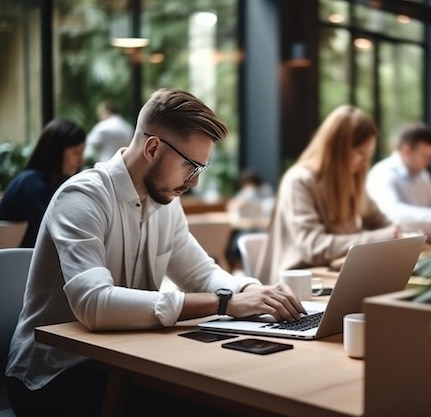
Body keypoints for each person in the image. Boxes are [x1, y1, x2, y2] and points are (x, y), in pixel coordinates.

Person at [5, 88, 305, 417]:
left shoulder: (166, 203)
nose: (192, 182)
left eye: (199, 170)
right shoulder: (82, 198)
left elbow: (201, 273)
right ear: (152, 147)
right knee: (210, 402)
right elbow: (94, 304)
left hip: (127, 359)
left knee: (242, 386)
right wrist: (225, 302)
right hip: (53, 376)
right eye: (189, 166)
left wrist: (251, 291)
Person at [256, 104, 402, 284]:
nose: (365, 162)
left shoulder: (351, 180)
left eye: (369, 154)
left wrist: (400, 234)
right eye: (360, 153)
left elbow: (380, 222)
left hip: (334, 276)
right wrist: (385, 236)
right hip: (300, 285)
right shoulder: (299, 180)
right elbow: (314, 247)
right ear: (336, 150)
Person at [0, 118, 86, 247]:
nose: (81, 161)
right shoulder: (31, 184)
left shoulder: (44, 183)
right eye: (76, 152)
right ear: (56, 151)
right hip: (17, 263)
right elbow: (56, 233)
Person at [365, 122, 431, 223]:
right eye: (425, 156)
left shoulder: (422, 175)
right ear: (406, 151)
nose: (429, 162)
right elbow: (391, 212)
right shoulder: (382, 173)